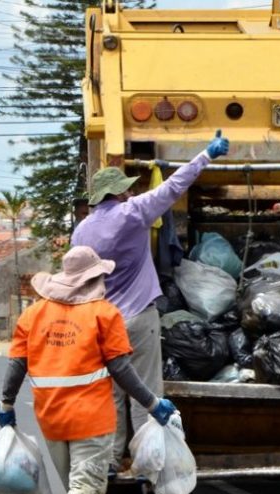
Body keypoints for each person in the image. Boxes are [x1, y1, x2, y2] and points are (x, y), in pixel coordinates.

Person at [0, 246, 178, 494]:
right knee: (86, 489)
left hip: (51, 419)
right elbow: (122, 369)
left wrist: (6, 406)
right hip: (91, 420)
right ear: (94, 278)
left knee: (80, 492)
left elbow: (16, 365)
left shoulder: (33, 315)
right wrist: (153, 404)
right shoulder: (104, 314)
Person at [72, 130, 229, 474]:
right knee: (144, 393)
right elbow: (174, 186)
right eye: (127, 186)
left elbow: (77, 278)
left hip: (101, 322)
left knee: (112, 395)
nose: (132, 190)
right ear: (119, 192)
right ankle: (147, 462)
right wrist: (206, 154)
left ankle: (113, 461)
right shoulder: (133, 213)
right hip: (138, 319)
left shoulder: (81, 231)